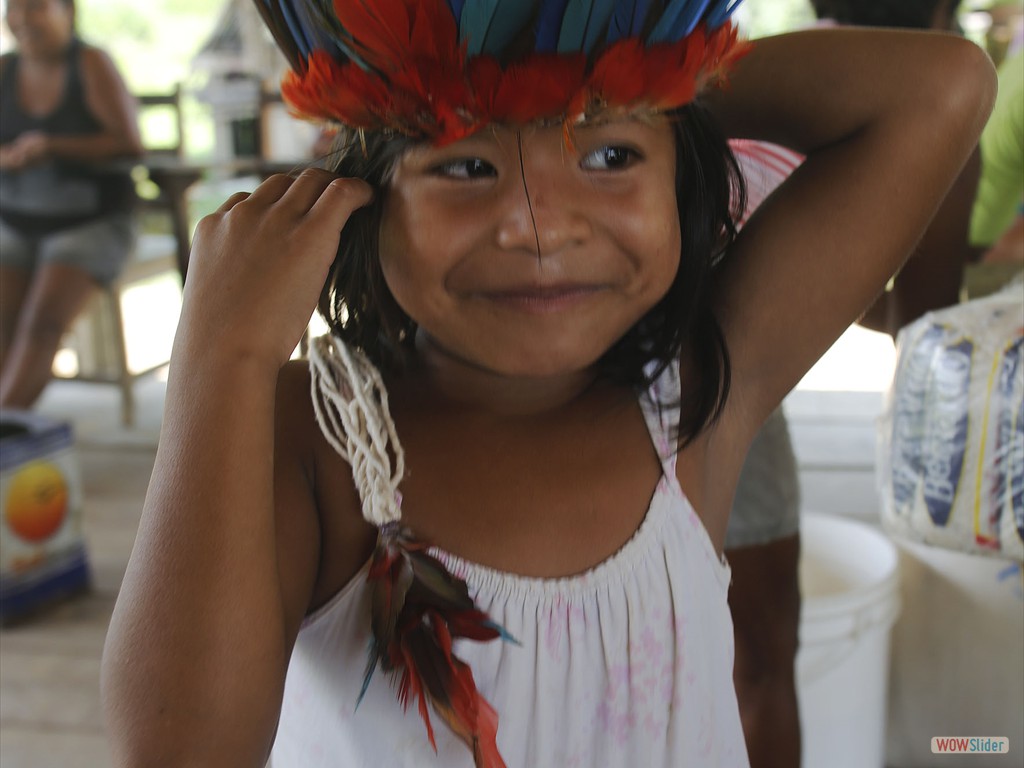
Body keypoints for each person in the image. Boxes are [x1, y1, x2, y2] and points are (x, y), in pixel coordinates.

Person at [100, 1, 994, 766]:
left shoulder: (694, 400)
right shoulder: (314, 440)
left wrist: (634, 74)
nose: (538, 228)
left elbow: (942, 87)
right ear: (357, 202)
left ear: (682, 169)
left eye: (610, 157)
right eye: (465, 164)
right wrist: (222, 362)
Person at [723, 3, 982, 765]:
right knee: (760, 656)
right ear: (941, 11)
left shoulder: (772, 71)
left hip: (614, 315)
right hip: (700, 344)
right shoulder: (930, 99)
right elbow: (921, 326)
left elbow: (791, 270)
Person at [0, 0, 142, 410]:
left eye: (37, 7)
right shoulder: (5, 69)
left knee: (42, 327)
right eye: (14, 8)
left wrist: (52, 147)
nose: (23, 19)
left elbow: (129, 144)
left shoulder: (92, 63)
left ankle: (7, 432)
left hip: (91, 222)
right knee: (4, 325)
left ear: (68, 12)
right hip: (14, 221)